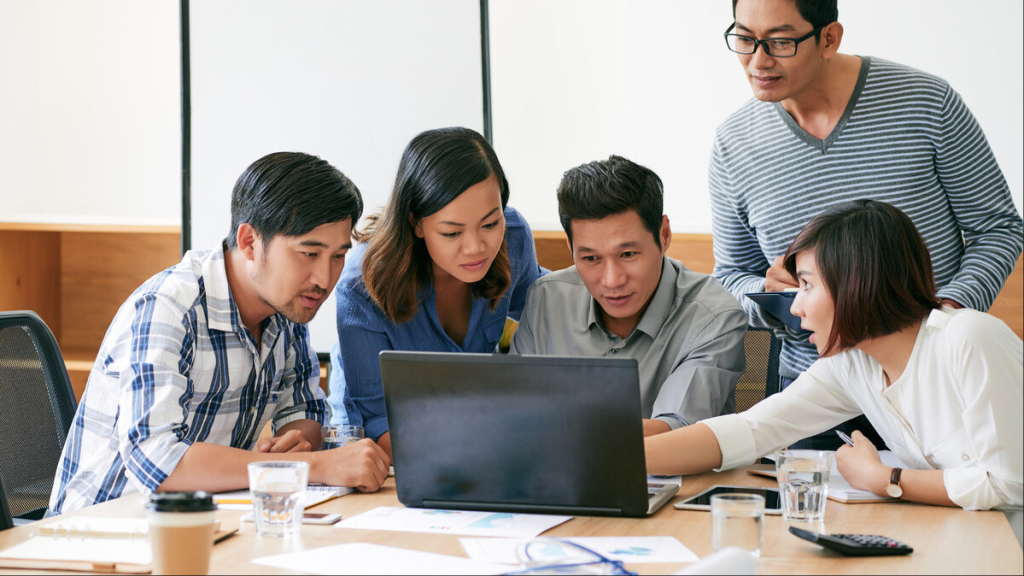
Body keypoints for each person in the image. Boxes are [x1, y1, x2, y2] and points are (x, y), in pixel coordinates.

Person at [709, 0, 1024, 449]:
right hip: (815, 395)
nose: (758, 61)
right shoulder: (732, 144)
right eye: (744, 39)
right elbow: (730, 274)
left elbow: (997, 228)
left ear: (829, 38)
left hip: (938, 388)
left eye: (780, 41)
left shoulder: (928, 103)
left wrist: (946, 315)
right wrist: (769, 295)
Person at [50, 152, 391, 514]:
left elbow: (303, 410)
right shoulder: (168, 307)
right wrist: (310, 467)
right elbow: (158, 461)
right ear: (248, 242)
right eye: (309, 253)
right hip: (100, 532)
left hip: (206, 520)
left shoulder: (287, 307)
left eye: (338, 256)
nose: (324, 279)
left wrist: (297, 445)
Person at [646, 200, 1023, 511]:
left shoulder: (969, 338)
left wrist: (884, 480)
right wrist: (607, 455)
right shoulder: (852, 363)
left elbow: (1010, 485)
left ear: (858, 283)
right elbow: (752, 429)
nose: (794, 308)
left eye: (807, 285)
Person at [328, 127, 544, 457]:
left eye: (490, 223)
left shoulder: (513, 236)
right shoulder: (362, 283)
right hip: (382, 446)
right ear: (416, 223)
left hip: (472, 426)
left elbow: (545, 313)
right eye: (452, 232)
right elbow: (375, 419)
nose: (476, 247)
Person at [511, 155, 747, 435]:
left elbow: (676, 432)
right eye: (590, 258)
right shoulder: (546, 299)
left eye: (628, 254)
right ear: (570, 247)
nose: (612, 280)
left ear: (664, 235)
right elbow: (514, 410)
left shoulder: (714, 317)